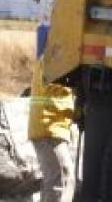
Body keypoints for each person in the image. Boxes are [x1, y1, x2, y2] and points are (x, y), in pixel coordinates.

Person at [28, 23, 76, 202]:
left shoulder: (49, 62)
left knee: (57, 179)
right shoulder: (53, 63)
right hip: (48, 129)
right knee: (63, 178)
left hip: (47, 127)